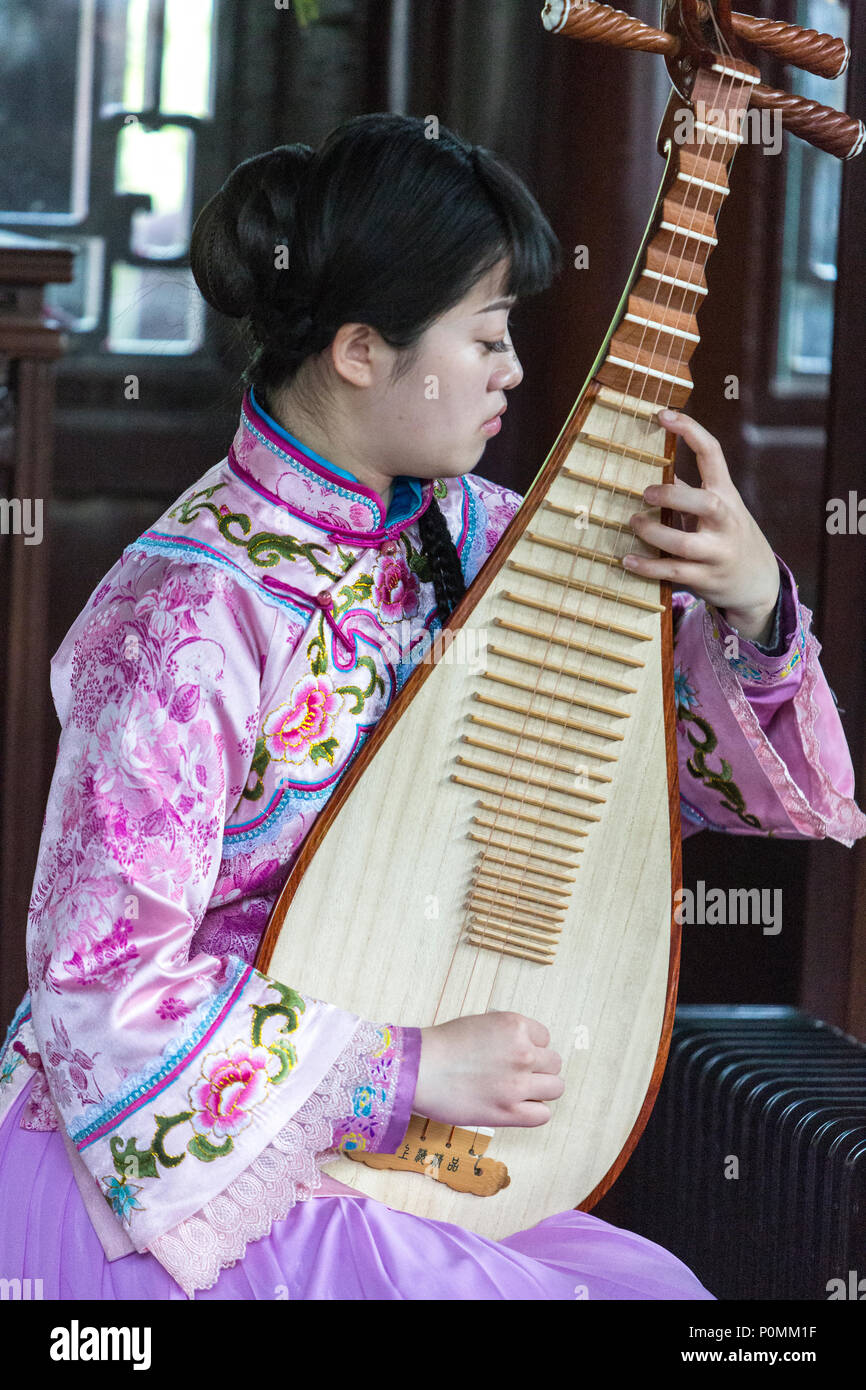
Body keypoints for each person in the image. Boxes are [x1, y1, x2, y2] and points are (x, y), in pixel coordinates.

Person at [1, 114, 863, 1302]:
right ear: (362, 350)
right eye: (487, 335)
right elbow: (99, 981)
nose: (512, 369)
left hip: (388, 1154)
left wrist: (752, 602)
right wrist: (399, 1071)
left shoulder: (479, 539)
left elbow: (681, 787)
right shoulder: (187, 616)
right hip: (164, 1169)